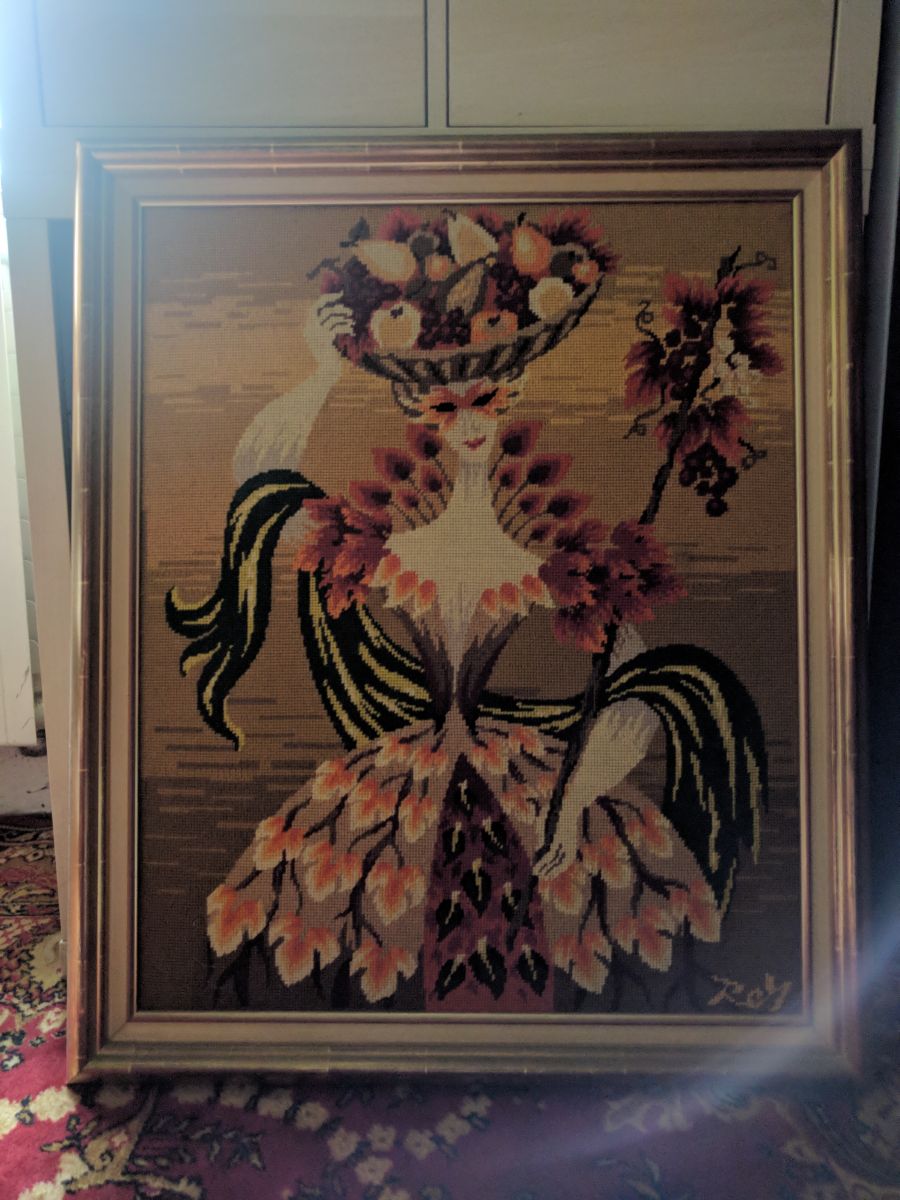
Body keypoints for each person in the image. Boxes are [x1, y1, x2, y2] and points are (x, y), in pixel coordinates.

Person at [179, 295, 727, 1013]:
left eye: (486, 401)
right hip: (399, 789)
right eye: (447, 407)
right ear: (419, 412)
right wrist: (322, 374)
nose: (469, 423)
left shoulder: (553, 568)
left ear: (511, 399)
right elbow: (259, 476)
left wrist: (575, 804)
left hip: (533, 788)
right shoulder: (384, 551)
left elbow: (635, 695)